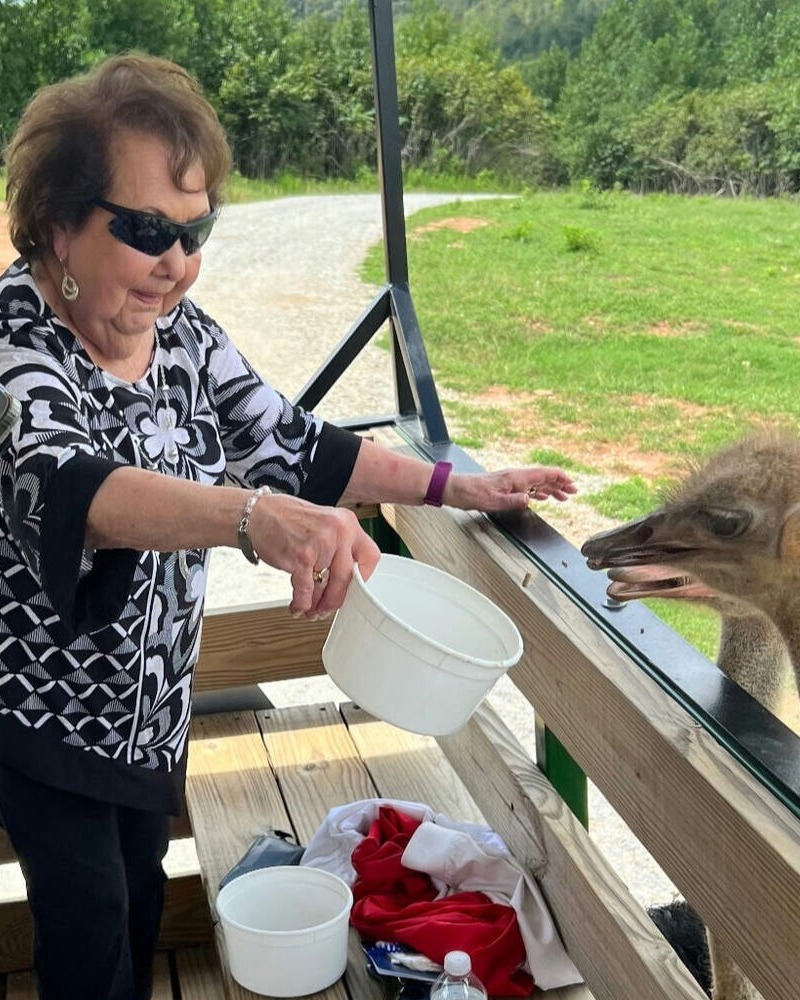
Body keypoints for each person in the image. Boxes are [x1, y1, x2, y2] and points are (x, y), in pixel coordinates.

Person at [0, 53, 576, 1000]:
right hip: (47, 719)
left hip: (151, 715)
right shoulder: (17, 342)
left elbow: (297, 445)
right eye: (145, 229)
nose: (175, 262)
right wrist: (249, 517)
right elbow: (73, 487)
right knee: (89, 931)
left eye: (195, 232)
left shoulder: (184, 335)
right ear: (60, 222)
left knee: (136, 901)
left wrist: (456, 486)